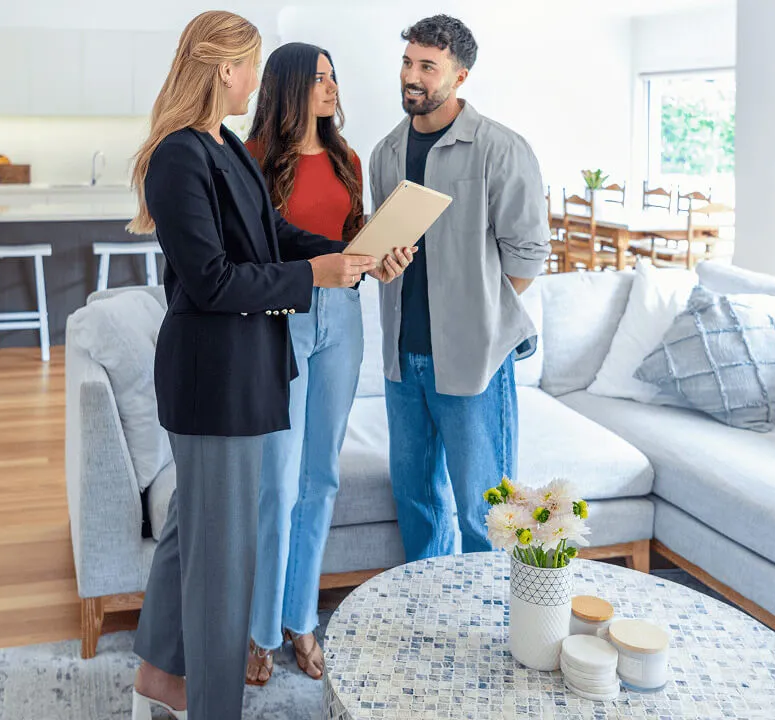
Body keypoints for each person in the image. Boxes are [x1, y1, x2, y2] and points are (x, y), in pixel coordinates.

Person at [125, 12, 386, 720]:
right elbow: (210, 280)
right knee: (221, 560)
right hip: (213, 380)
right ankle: (213, 707)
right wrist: (314, 279)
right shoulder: (178, 156)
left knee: (191, 532)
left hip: (241, 373)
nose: (257, 78)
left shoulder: (226, 148)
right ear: (222, 70)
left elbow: (273, 234)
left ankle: (161, 679)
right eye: (251, 65)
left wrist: (348, 259)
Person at [242, 42, 414, 686]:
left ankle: (301, 622)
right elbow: (256, 259)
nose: (332, 87)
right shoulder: (252, 160)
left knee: (322, 480)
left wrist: (382, 256)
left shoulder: (347, 159)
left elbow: (349, 246)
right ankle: (260, 632)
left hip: (342, 320)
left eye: (334, 76)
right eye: (318, 78)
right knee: (278, 485)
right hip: (280, 323)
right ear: (288, 88)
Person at [369, 15, 550, 562]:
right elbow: (382, 247)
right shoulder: (385, 154)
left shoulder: (500, 148)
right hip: (404, 361)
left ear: (460, 76)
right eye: (408, 62)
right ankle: (431, 613)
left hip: (474, 365)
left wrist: (481, 317)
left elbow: (528, 253)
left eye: (428, 66)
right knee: (417, 501)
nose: (412, 76)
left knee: (484, 512)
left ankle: (492, 627)